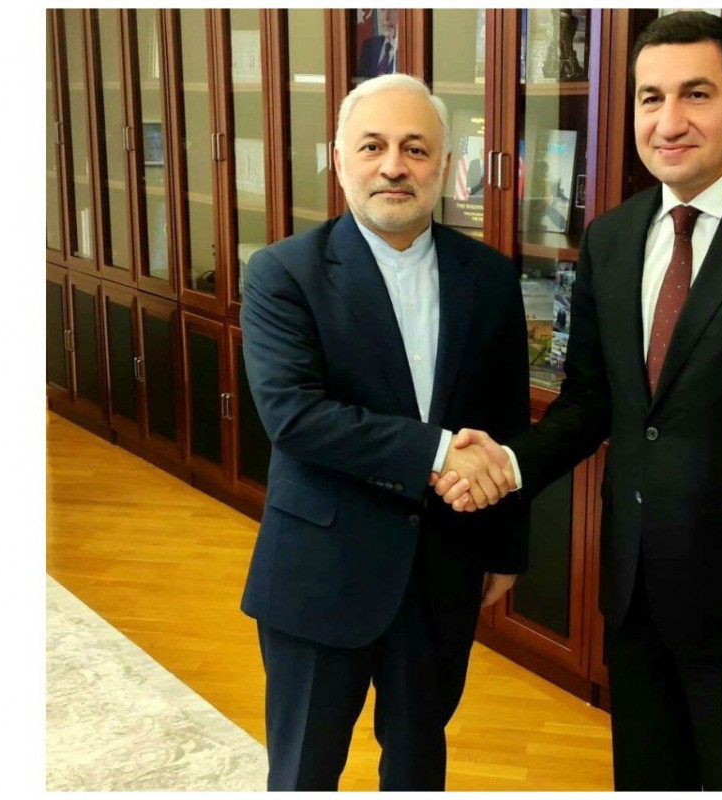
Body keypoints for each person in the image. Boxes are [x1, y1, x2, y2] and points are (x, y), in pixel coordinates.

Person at [435, 11, 722, 791]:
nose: (668, 121)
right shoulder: (612, 238)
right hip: (634, 590)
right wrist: (506, 463)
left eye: (696, 94)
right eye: (650, 97)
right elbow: (589, 403)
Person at [239, 72, 527, 791]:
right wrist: (438, 450)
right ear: (340, 160)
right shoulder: (283, 273)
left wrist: (505, 548)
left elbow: (506, 421)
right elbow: (294, 416)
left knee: (419, 767)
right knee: (304, 772)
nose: (394, 166)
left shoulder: (490, 277)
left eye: (415, 148)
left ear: (445, 165)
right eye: (372, 146)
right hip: (321, 571)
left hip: (443, 571)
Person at [356, 8, 397, 78]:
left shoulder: (410, 49)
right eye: (383, 9)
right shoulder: (369, 46)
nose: (386, 17)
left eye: (393, 9)